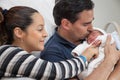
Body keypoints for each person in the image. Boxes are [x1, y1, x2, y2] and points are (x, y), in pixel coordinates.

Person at [0, 6, 101, 80]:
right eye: (40, 29)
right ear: (19, 32)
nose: (45, 34)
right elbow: (56, 71)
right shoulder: (7, 53)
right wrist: (85, 56)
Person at [40, 0, 120, 80]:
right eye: (85, 24)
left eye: (91, 22)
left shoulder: (90, 35)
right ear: (66, 24)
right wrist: (109, 61)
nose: (91, 28)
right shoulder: (52, 55)